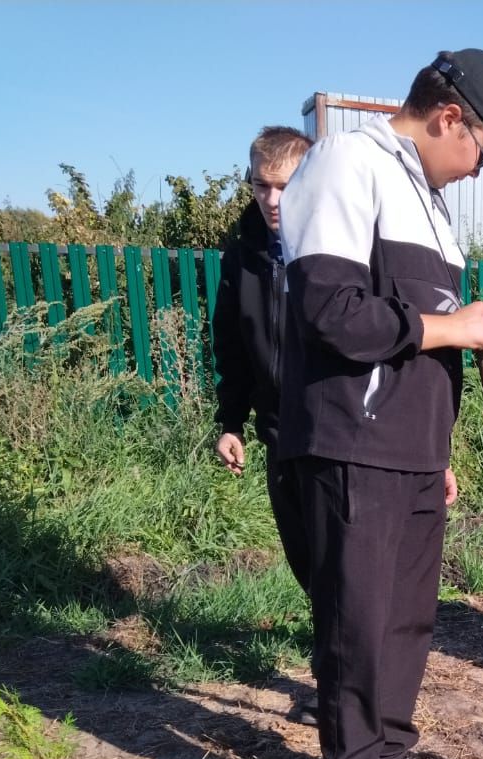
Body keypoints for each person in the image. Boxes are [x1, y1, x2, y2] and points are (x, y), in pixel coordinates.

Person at [278, 50, 483, 759]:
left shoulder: (428, 199)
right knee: (358, 620)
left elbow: (417, 352)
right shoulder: (349, 162)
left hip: (409, 452)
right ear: (451, 118)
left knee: (408, 621)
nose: (478, 168)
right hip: (352, 443)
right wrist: (451, 328)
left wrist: (437, 448)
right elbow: (331, 311)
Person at [211, 125, 315, 722]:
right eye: (260, 187)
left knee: (338, 570)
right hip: (279, 435)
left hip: (335, 435)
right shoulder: (244, 254)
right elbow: (232, 343)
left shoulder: (334, 245)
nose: (272, 201)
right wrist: (232, 421)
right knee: (306, 565)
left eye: (282, 187)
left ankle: (340, 690)